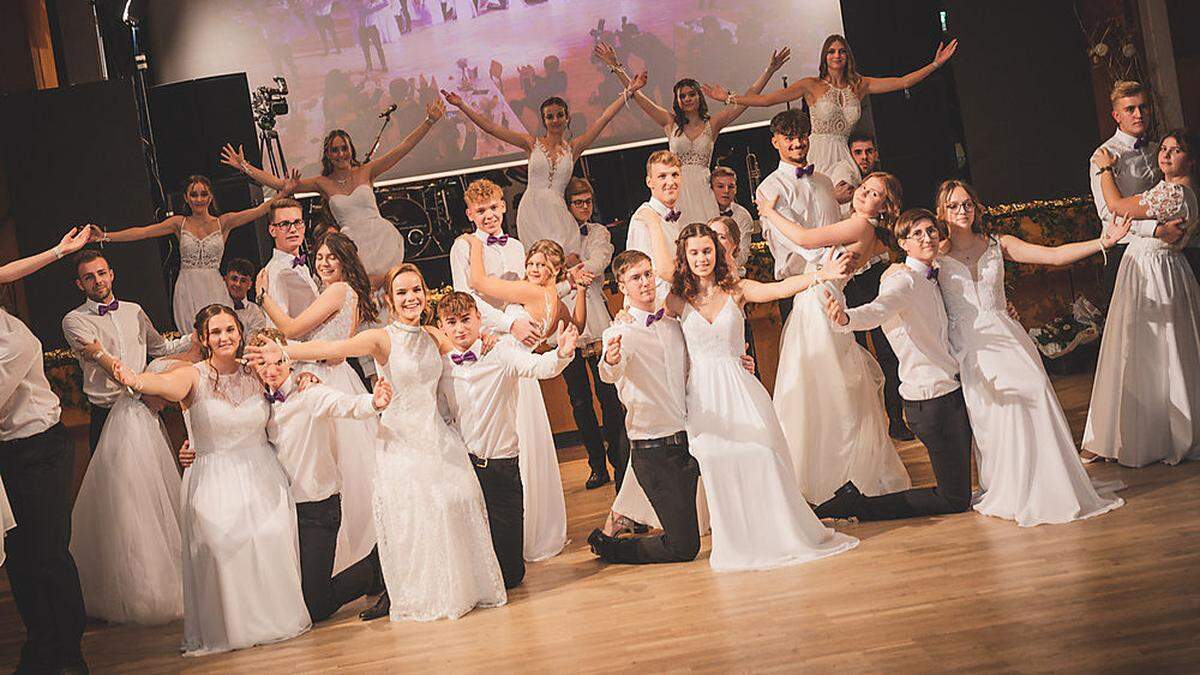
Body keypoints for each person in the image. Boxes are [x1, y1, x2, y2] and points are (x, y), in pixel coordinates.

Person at [245, 264, 506, 622]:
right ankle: (403, 586)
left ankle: (458, 585)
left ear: (424, 292)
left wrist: (489, 339)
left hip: (436, 436)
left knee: (453, 503)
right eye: (402, 293)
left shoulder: (432, 334)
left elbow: (466, 344)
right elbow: (331, 346)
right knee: (411, 519)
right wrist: (281, 352)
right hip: (399, 440)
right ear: (390, 299)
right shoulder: (382, 339)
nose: (410, 298)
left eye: (416, 290)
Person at [633, 214, 858, 571]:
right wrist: (654, 227)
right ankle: (738, 541)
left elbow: (780, 289)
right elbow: (650, 306)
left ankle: (778, 534)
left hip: (740, 388)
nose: (702, 258)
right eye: (694, 253)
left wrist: (821, 275)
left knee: (761, 456)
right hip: (704, 400)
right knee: (720, 464)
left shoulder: (737, 289)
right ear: (686, 258)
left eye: (707, 251)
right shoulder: (678, 300)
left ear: (717, 253)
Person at [111, 305, 311, 656]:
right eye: (216, 332)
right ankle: (233, 628)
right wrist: (135, 380)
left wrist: (308, 378)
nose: (225, 337)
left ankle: (274, 621)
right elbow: (166, 385)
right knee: (221, 545)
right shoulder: (193, 375)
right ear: (203, 338)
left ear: (239, 333)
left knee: (268, 540)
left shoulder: (255, 371)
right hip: (214, 475)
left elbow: (287, 384)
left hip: (262, 470)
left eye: (230, 330)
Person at [935, 179, 1127, 526]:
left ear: (977, 207)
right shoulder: (935, 254)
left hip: (1007, 336)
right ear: (942, 212)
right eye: (953, 206)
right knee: (997, 412)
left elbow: (1052, 256)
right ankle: (1011, 486)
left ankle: (1050, 481)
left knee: (1035, 390)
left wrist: (1104, 241)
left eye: (967, 204)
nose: (962, 211)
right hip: (969, 343)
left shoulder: (998, 244)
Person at [185, 327, 389, 623]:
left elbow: (343, 404)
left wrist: (373, 402)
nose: (272, 370)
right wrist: (191, 447)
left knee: (314, 607)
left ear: (290, 361)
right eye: (263, 364)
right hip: (278, 510)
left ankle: (374, 569)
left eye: (279, 362)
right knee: (287, 595)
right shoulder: (256, 403)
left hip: (318, 507)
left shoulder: (309, 393)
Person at [757, 171, 912, 504]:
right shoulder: (869, 230)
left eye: (874, 194)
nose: (863, 194)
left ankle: (821, 473)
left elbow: (806, 238)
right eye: (865, 188)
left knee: (812, 388)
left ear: (884, 206)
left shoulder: (860, 226)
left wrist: (769, 213)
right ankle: (828, 469)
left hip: (820, 305)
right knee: (823, 388)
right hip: (823, 300)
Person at [816, 209, 973, 520]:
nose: (927, 237)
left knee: (958, 491)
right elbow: (879, 309)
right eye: (917, 234)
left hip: (951, 390)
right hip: (930, 399)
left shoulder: (933, 273)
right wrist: (847, 318)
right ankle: (858, 505)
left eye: (931, 231)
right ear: (903, 243)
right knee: (954, 499)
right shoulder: (903, 280)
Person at [448, 178, 574, 560]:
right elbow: (466, 297)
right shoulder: (462, 247)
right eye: (480, 211)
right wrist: (506, 325)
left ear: (504, 207)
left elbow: (528, 291)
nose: (488, 216)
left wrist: (529, 324)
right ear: (470, 214)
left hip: (518, 342)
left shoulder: (518, 247)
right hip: (486, 343)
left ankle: (533, 526)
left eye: (493, 208)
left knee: (527, 429)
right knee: (496, 431)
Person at [257, 231, 382, 574]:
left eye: (332, 257)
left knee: (332, 467)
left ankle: (356, 555)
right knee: (347, 467)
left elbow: (293, 329)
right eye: (321, 257)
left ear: (344, 261)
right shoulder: (348, 293)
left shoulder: (340, 290)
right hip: (332, 374)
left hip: (322, 379)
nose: (325, 263)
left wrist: (263, 297)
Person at [436, 292, 578, 588]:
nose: (460, 328)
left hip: (501, 468)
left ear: (478, 319)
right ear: (443, 326)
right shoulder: (443, 368)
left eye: (466, 320)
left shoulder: (501, 353)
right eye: (452, 322)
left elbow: (538, 367)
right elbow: (444, 415)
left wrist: (561, 353)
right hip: (466, 470)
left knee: (511, 574)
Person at [0, 226, 93, 674]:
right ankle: (40, 648)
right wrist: (57, 250)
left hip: (40, 449)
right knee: (19, 557)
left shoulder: (11, 342)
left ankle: (70, 653)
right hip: (9, 455)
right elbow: (11, 269)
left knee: (49, 552)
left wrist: (60, 252)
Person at [222, 99, 446, 281]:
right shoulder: (322, 182)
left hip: (381, 240)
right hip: (352, 246)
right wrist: (244, 166)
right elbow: (280, 184)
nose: (340, 154)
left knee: (387, 289)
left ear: (351, 150)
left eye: (344, 149)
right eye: (334, 150)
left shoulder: (366, 171)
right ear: (328, 154)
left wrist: (430, 122)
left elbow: (403, 148)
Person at [1083, 129, 1200, 466]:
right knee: (1152, 352)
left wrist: (1105, 169)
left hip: (1155, 272)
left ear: (1189, 159)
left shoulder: (1176, 192)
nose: (1165, 155)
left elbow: (1118, 207)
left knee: (1149, 352)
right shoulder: (1168, 189)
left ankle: (1150, 435)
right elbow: (1134, 221)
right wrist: (1153, 228)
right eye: (1163, 148)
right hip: (1157, 266)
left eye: (1175, 150)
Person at [442, 70, 647, 261]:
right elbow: (491, 128)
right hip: (532, 209)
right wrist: (462, 105)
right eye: (550, 116)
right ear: (544, 120)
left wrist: (629, 91)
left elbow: (605, 118)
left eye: (559, 115)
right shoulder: (532, 144)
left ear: (567, 118)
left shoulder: (574, 148)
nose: (555, 120)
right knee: (540, 263)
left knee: (566, 261)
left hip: (557, 212)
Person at [705, 33, 957, 180]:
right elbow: (767, 100)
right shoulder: (811, 85)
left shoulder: (859, 85)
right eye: (831, 52)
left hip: (844, 154)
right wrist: (727, 97)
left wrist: (935, 64)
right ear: (824, 57)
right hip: (817, 152)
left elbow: (902, 81)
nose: (836, 55)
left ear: (847, 56)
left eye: (841, 51)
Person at [594, 42, 790, 225]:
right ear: (677, 100)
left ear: (699, 96)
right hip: (676, 190)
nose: (687, 98)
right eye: (682, 96)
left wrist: (769, 71)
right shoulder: (670, 122)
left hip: (704, 192)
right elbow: (638, 95)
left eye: (691, 94)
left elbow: (749, 97)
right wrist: (616, 66)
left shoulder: (712, 124)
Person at [69, 350, 190, 625]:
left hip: (148, 419)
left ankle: (150, 579)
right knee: (133, 498)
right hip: (129, 419)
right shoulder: (77, 323)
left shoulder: (171, 352)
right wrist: (99, 354)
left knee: (154, 496)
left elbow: (160, 347)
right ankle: (138, 587)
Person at [97, 174, 295, 331]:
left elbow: (259, 211)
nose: (199, 199)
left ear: (210, 197)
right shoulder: (178, 223)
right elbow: (143, 232)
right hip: (187, 288)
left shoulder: (223, 222)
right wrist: (105, 236)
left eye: (203, 194)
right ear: (186, 197)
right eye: (194, 194)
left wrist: (283, 193)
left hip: (214, 286)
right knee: (193, 337)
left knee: (220, 330)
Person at [61, 250, 193, 456]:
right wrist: (142, 394)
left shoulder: (135, 311)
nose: (97, 280)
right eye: (89, 277)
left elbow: (160, 349)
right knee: (115, 485)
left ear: (111, 275)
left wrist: (195, 338)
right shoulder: (74, 320)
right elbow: (106, 365)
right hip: (108, 412)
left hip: (145, 410)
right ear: (80, 284)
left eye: (101, 273)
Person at [1086, 81, 1193, 301]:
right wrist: (1155, 229)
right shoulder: (1103, 155)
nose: (1139, 114)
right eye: (1130, 109)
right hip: (1124, 249)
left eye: (1143, 107)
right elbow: (1108, 211)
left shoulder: (1159, 150)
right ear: (1116, 116)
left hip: (1165, 251)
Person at [562, 177, 629, 492]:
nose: (585, 207)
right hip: (569, 321)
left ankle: (619, 460)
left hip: (598, 318)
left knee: (609, 396)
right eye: (578, 202)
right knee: (579, 400)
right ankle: (596, 465)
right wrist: (568, 271)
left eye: (588, 201)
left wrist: (575, 267)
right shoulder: (557, 234)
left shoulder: (599, 232)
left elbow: (601, 261)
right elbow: (549, 271)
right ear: (567, 205)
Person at [753, 109, 841, 323]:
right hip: (798, 283)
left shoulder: (825, 181)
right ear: (775, 142)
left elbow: (836, 226)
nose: (798, 142)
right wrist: (826, 262)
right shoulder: (770, 187)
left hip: (838, 279)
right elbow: (788, 236)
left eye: (802, 136)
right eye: (789, 137)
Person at [625, 150, 686, 302]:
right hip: (658, 305)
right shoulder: (643, 219)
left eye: (675, 175)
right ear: (649, 182)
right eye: (662, 176)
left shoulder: (675, 215)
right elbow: (642, 273)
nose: (670, 182)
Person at [709, 167, 754, 270]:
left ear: (736, 189)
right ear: (711, 189)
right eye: (720, 186)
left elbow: (743, 256)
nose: (726, 191)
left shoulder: (743, 216)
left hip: (734, 273)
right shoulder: (702, 212)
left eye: (731, 187)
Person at [828, 132, 880, 216]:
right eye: (858, 152)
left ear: (876, 154)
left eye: (869, 151)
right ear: (850, 155)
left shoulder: (876, 175)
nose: (864, 157)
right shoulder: (845, 173)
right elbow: (846, 215)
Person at [224, 257, 271, 335]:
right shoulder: (216, 306)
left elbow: (254, 343)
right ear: (225, 279)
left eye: (243, 281)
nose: (237, 284)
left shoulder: (256, 312)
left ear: (250, 285)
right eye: (234, 279)